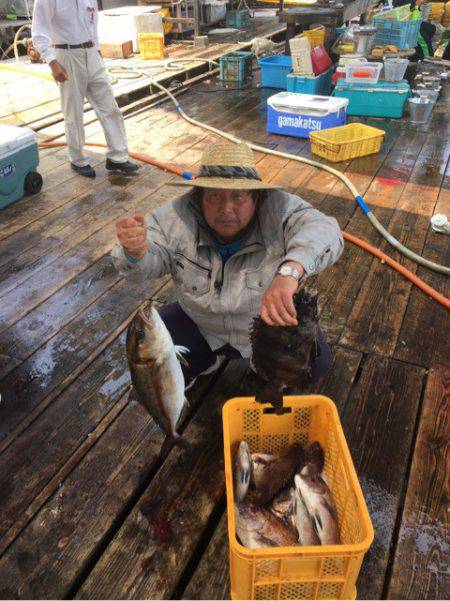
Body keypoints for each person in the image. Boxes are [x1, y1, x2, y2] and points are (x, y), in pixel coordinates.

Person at [112, 141, 344, 392]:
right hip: (202, 323)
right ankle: (205, 359)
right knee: (151, 350)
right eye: (214, 196)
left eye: (238, 196)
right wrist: (134, 253)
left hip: (266, 327)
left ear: (256, 196)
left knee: (317, 364)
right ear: (199, 196)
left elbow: (326, 230)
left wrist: (289, 272)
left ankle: (264, 366)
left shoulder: (282, 209)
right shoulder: (173, 217)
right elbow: (144, 266)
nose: (226, 209)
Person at [32, 0, 139, 179]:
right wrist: (52, 62)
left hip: (91, 53)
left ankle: (117, 157)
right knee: (73, 111)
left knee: (109, 107)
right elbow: (39, 32)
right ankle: (78, 160)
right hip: (66, 54)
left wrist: (97, 51)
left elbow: (93, 23)